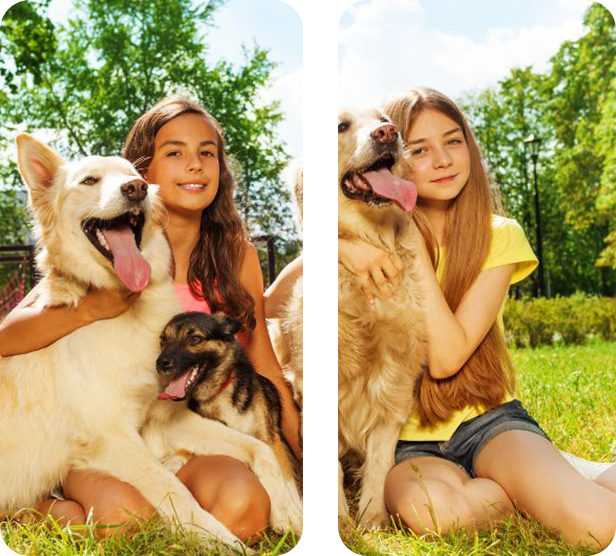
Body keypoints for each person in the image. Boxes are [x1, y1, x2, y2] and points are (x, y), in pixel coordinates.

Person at [0, 96, 301, 542]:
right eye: (174, 153)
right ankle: (39, 508)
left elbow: (263, 365)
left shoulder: (230, 256)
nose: (194, 166)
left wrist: (298, 455)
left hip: (171, 431)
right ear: (152, 172)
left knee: (244, 513)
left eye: (207, 153)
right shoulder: (74, 282)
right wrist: (90, 308)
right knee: (127, 519)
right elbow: (8, 338)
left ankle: (171, 501)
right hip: (82, 448)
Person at [337, 87, 616, 548]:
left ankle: (547, 471)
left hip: (488, 423)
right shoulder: (362, 231)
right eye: (420, 149)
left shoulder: (498, 235)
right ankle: (536, 481)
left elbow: (447, 357)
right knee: (434, 514)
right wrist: (340, 245)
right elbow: (267, 301)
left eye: (454, 141)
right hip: (405, 445)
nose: (444, 160)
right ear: (391, 158)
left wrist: (406, 241)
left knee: (594, 525)